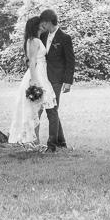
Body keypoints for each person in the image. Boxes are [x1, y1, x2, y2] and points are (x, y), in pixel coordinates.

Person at [7, 16, 56, 148]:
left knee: (38, 108)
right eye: (41, 23)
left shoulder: (36, 40)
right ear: (36, 25)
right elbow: (32, 61)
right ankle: (34, 140)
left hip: (42, 72)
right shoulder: (33, 41)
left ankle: (34, 140)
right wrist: (34, 80)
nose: (44, 25)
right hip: (37, 73)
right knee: (35, 108)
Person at [38, 8, 75, 151]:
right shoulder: (43, 36)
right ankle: (62, 142)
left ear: (49, 22)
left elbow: (70, 61)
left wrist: (68, 82)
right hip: (43, 77)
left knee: (52, 110)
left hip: (57, 79)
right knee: (52, 110)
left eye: (43, 22)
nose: (42, 25)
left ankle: (52, 145)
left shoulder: (65, 38)